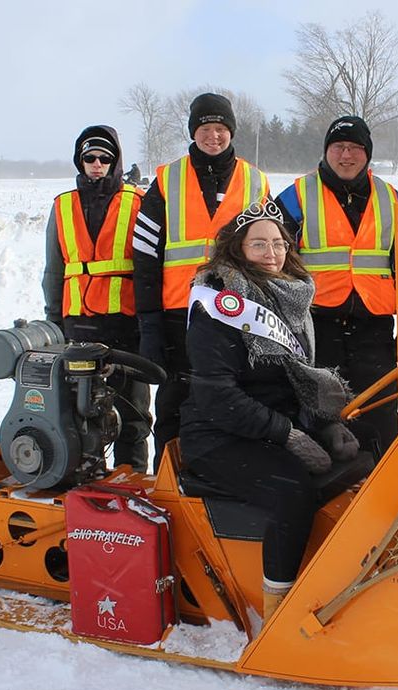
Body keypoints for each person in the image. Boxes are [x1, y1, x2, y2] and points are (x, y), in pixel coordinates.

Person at [179, 201, 359, 621]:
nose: (272, 253)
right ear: (237, 249)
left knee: (370, 446)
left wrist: (327, 423)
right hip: (217, 435)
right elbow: (217, 398)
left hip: (269, 424)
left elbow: (297, 378)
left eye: (278, 243)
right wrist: (288, 435)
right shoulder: (219, 305)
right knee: (291, 489)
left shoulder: (289, 294)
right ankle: (278, 612)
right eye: (258, 244)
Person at [133, 92, 271, 471]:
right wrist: (150, 326)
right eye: (205, 129)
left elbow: (271, 255)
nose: (214, 136)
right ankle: (169, 482)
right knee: (173, 407)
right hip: (180, 318)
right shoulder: (166, 181)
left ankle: (221, 483)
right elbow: (144, 258)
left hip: (236, 317)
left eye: (221, 128)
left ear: (232, 131)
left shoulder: (256, 182)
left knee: (231, 405)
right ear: (193, 132)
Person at [276, 115, 398, 456]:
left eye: (355, 148)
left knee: (380, 412)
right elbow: (271, 260)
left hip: (374, 328)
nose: (346, 155)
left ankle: (383, 477)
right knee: (322, 416)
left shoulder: (391, 198)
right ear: (326, 151)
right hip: (316, 327)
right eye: (338, 147)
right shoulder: (296, 195)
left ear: (367, 153)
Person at [41, 125, 152, 472]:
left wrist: (151, 322)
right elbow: (54, 269)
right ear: (81, 161)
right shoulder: (62, 206)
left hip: (126, 327)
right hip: (79, 328)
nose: (97, 164)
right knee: (81, 415)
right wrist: (54, 321)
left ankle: (131, 480)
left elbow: (151, 268)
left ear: (115, 161)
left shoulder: (138, 202)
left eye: (105, 158)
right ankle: (86, 483)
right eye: (90, 157)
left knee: (132, 415)